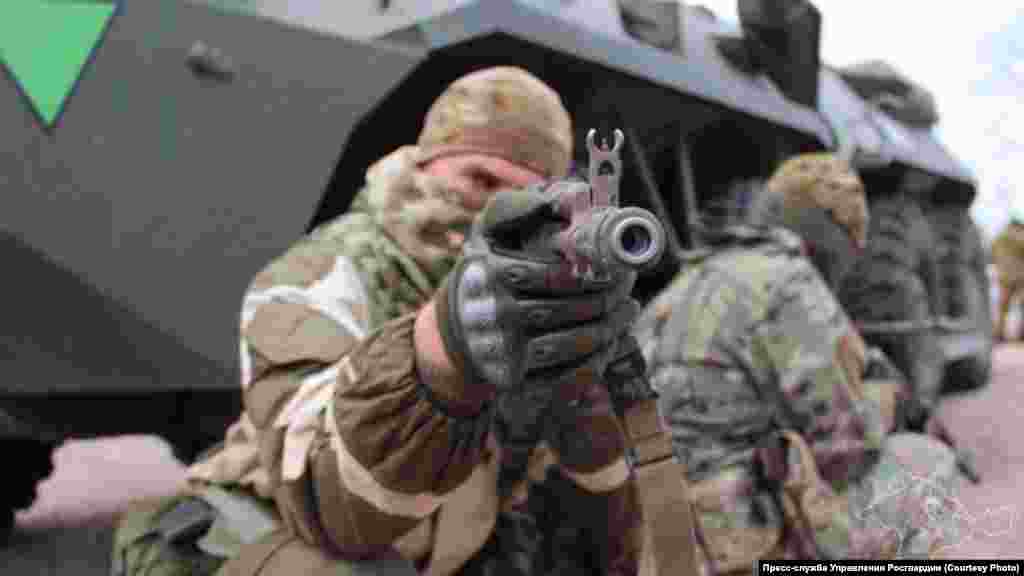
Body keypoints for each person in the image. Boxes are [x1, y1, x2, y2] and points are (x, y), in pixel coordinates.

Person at [112, 67, 643, 576]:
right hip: (273, 538)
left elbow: (590, 517)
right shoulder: (323, 273)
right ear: (425, 164)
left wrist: (586, 411)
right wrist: (444, 348)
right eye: (480, 179)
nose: (494, 210)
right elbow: (330, 500)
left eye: (523, 198)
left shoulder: (538, 306)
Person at [632, 153, 962, 574]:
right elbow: (847, 452)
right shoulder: (788, 282)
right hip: (736, 544)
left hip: (662, 543)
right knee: (928, 463)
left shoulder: (688, 282)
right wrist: (889, 402)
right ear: (834, 239)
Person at [992, 211, 1024, 342]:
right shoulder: (1020, 235)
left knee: (1003, 307)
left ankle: (999, 333)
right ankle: (1021, 333)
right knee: (1022, 306)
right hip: (1020, 277)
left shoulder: (999, 237)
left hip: (1004, 276)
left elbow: (992, 253)